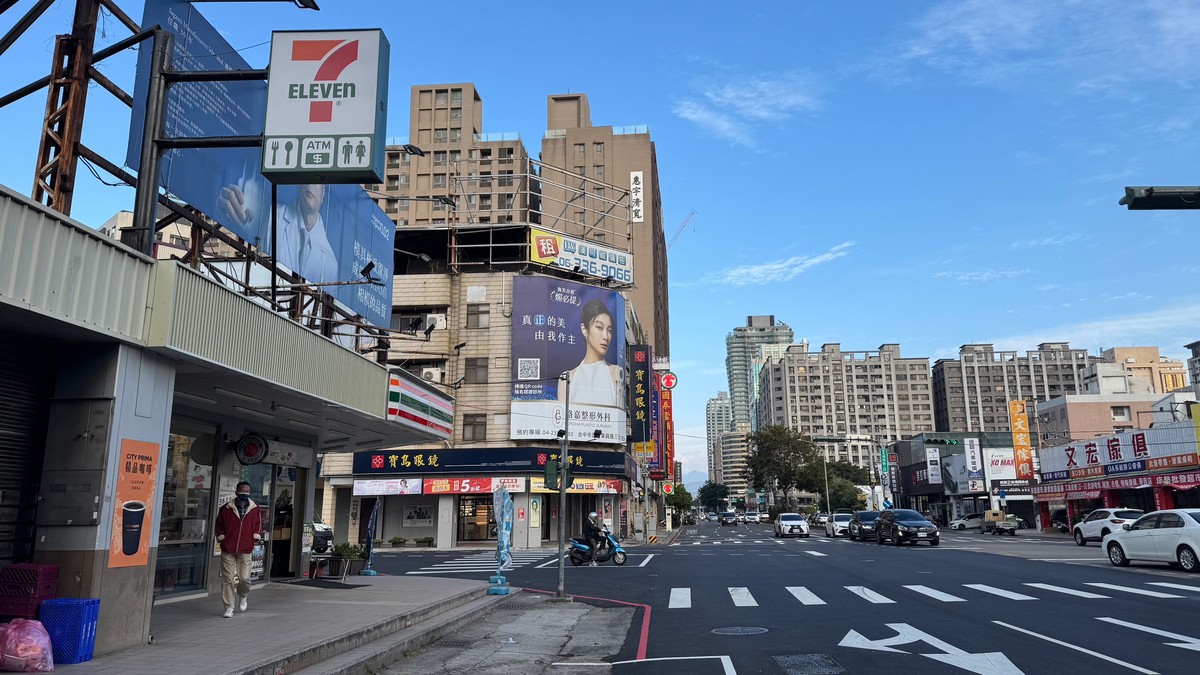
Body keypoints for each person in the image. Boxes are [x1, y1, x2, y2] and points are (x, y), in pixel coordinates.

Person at [558, 300, 623, 407]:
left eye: (609, 330)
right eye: (599, 327)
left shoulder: (616, 373)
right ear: (584, 329)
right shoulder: (567, 378)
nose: (606, 336)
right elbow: (560, 420)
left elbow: (619, 418)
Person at [215, 481, 263, 618]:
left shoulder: (254, 508)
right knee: (228, 578)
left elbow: (258, 525)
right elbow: (219, 525)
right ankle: (229, 607)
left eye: (247, 491)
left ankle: (243, 596)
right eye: (242, 491)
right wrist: (221, 537)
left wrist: (255, 537)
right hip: (228, 548)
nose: (245, 493)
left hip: (245, 548)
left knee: (244, 578)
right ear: (236, 492)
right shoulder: (226, 508)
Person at [276, 184, 338, 284]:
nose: (311, 185)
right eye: (309, 178)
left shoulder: (330, 262)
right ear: (300, 185)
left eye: (317, 182)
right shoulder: (274, 218)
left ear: (323, 194)